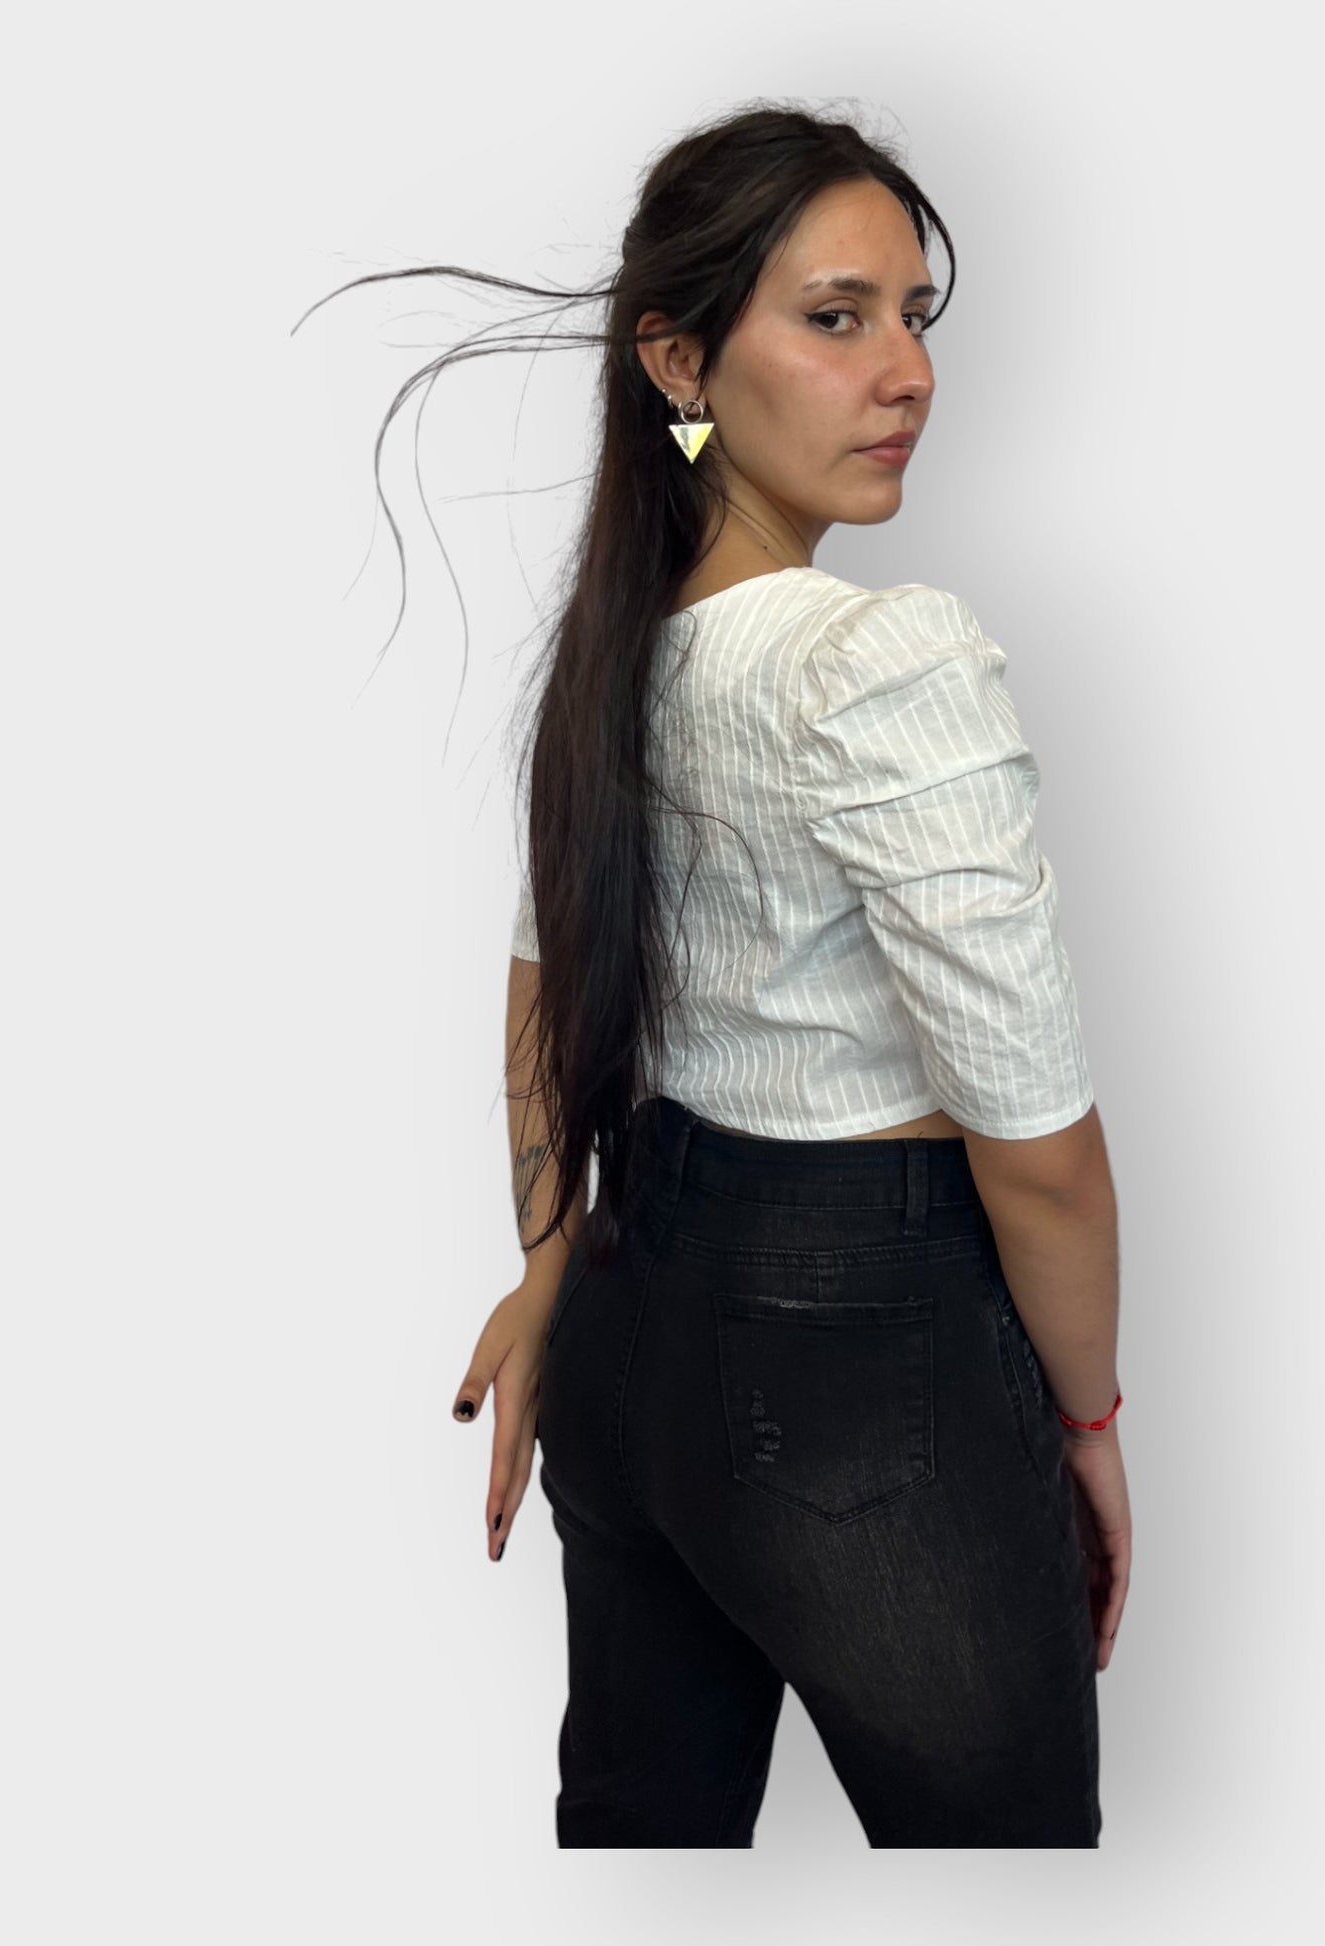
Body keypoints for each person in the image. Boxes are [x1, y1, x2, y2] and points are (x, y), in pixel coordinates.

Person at [437, 105, 1129, 1846]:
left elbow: (538, 997)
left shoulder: (619, 655)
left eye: (913, 316)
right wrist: (1087, 1417)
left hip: (626, 1327)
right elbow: (1039, 1149)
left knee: (644, 1851)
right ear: (677, 362)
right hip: (861, 1361)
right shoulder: (881, 654)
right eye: (835, 318)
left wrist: (548, 1273)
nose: (905, 373)